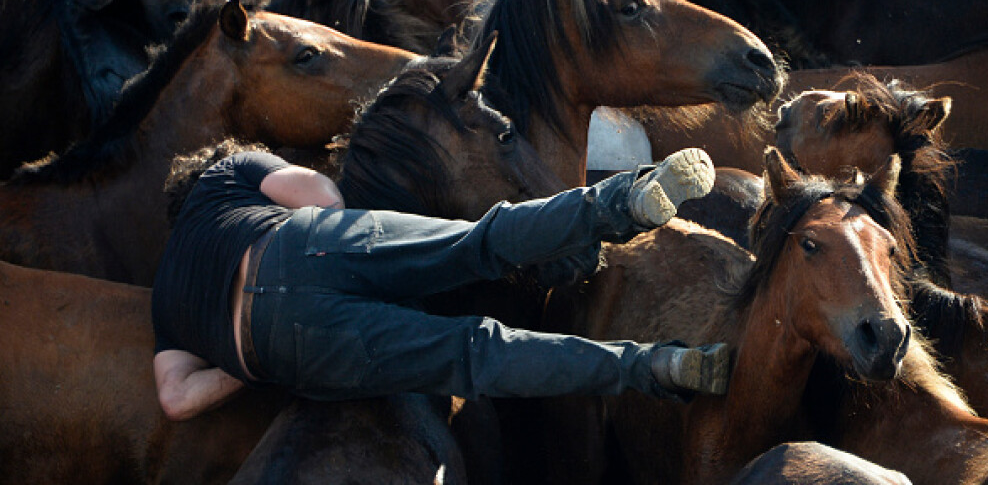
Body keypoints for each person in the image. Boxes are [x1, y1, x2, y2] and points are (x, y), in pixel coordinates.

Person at [151, 142, 728, 421]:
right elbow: (324, 196)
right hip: (302, 245)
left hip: (284, 350)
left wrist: (241, 358)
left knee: (475, 356)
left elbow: (175, 399)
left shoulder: (163, 306)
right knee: (477, 243)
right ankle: (622, 201)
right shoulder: (223, 174)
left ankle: (654, 368)